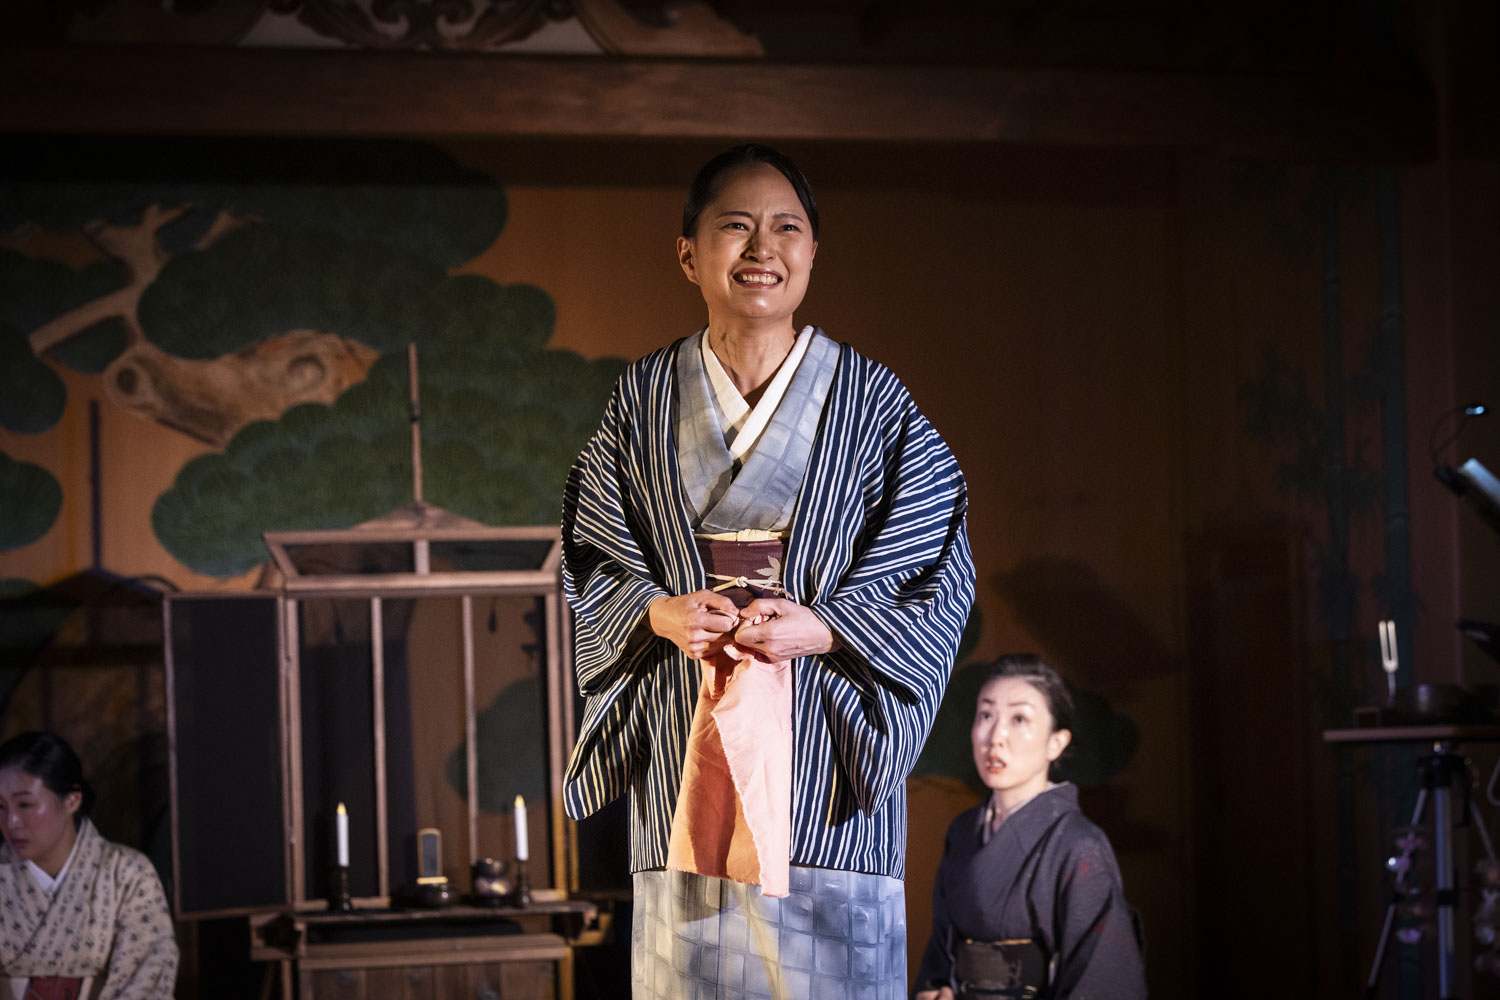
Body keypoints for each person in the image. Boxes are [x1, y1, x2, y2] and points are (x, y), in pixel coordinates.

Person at [561, 143, 975, 999]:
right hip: (687, 734)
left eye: (787, 228)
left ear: (813, 252)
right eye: (735, 227)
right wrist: (657, 612)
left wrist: (826, 626)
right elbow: (594, 548)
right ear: (689, 255)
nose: (763, 249)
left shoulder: (872, 402)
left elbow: (933, 560)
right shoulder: (643, 399)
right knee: (693, 965)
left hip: (825, 749)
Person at [913, 656, 1147, 1000]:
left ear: (1056, 742)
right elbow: (941, 951)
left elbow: (1103, 978)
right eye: (986, 715)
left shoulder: (1079, 845)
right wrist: (938, 990)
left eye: (1019, 718)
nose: (996, 737)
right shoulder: (963, 831)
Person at [0, 731, 178, 1000]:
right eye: (1, 806)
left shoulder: (128, 874)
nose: (11, 821)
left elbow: (147, 977)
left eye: (25, 804)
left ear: (72, 800)